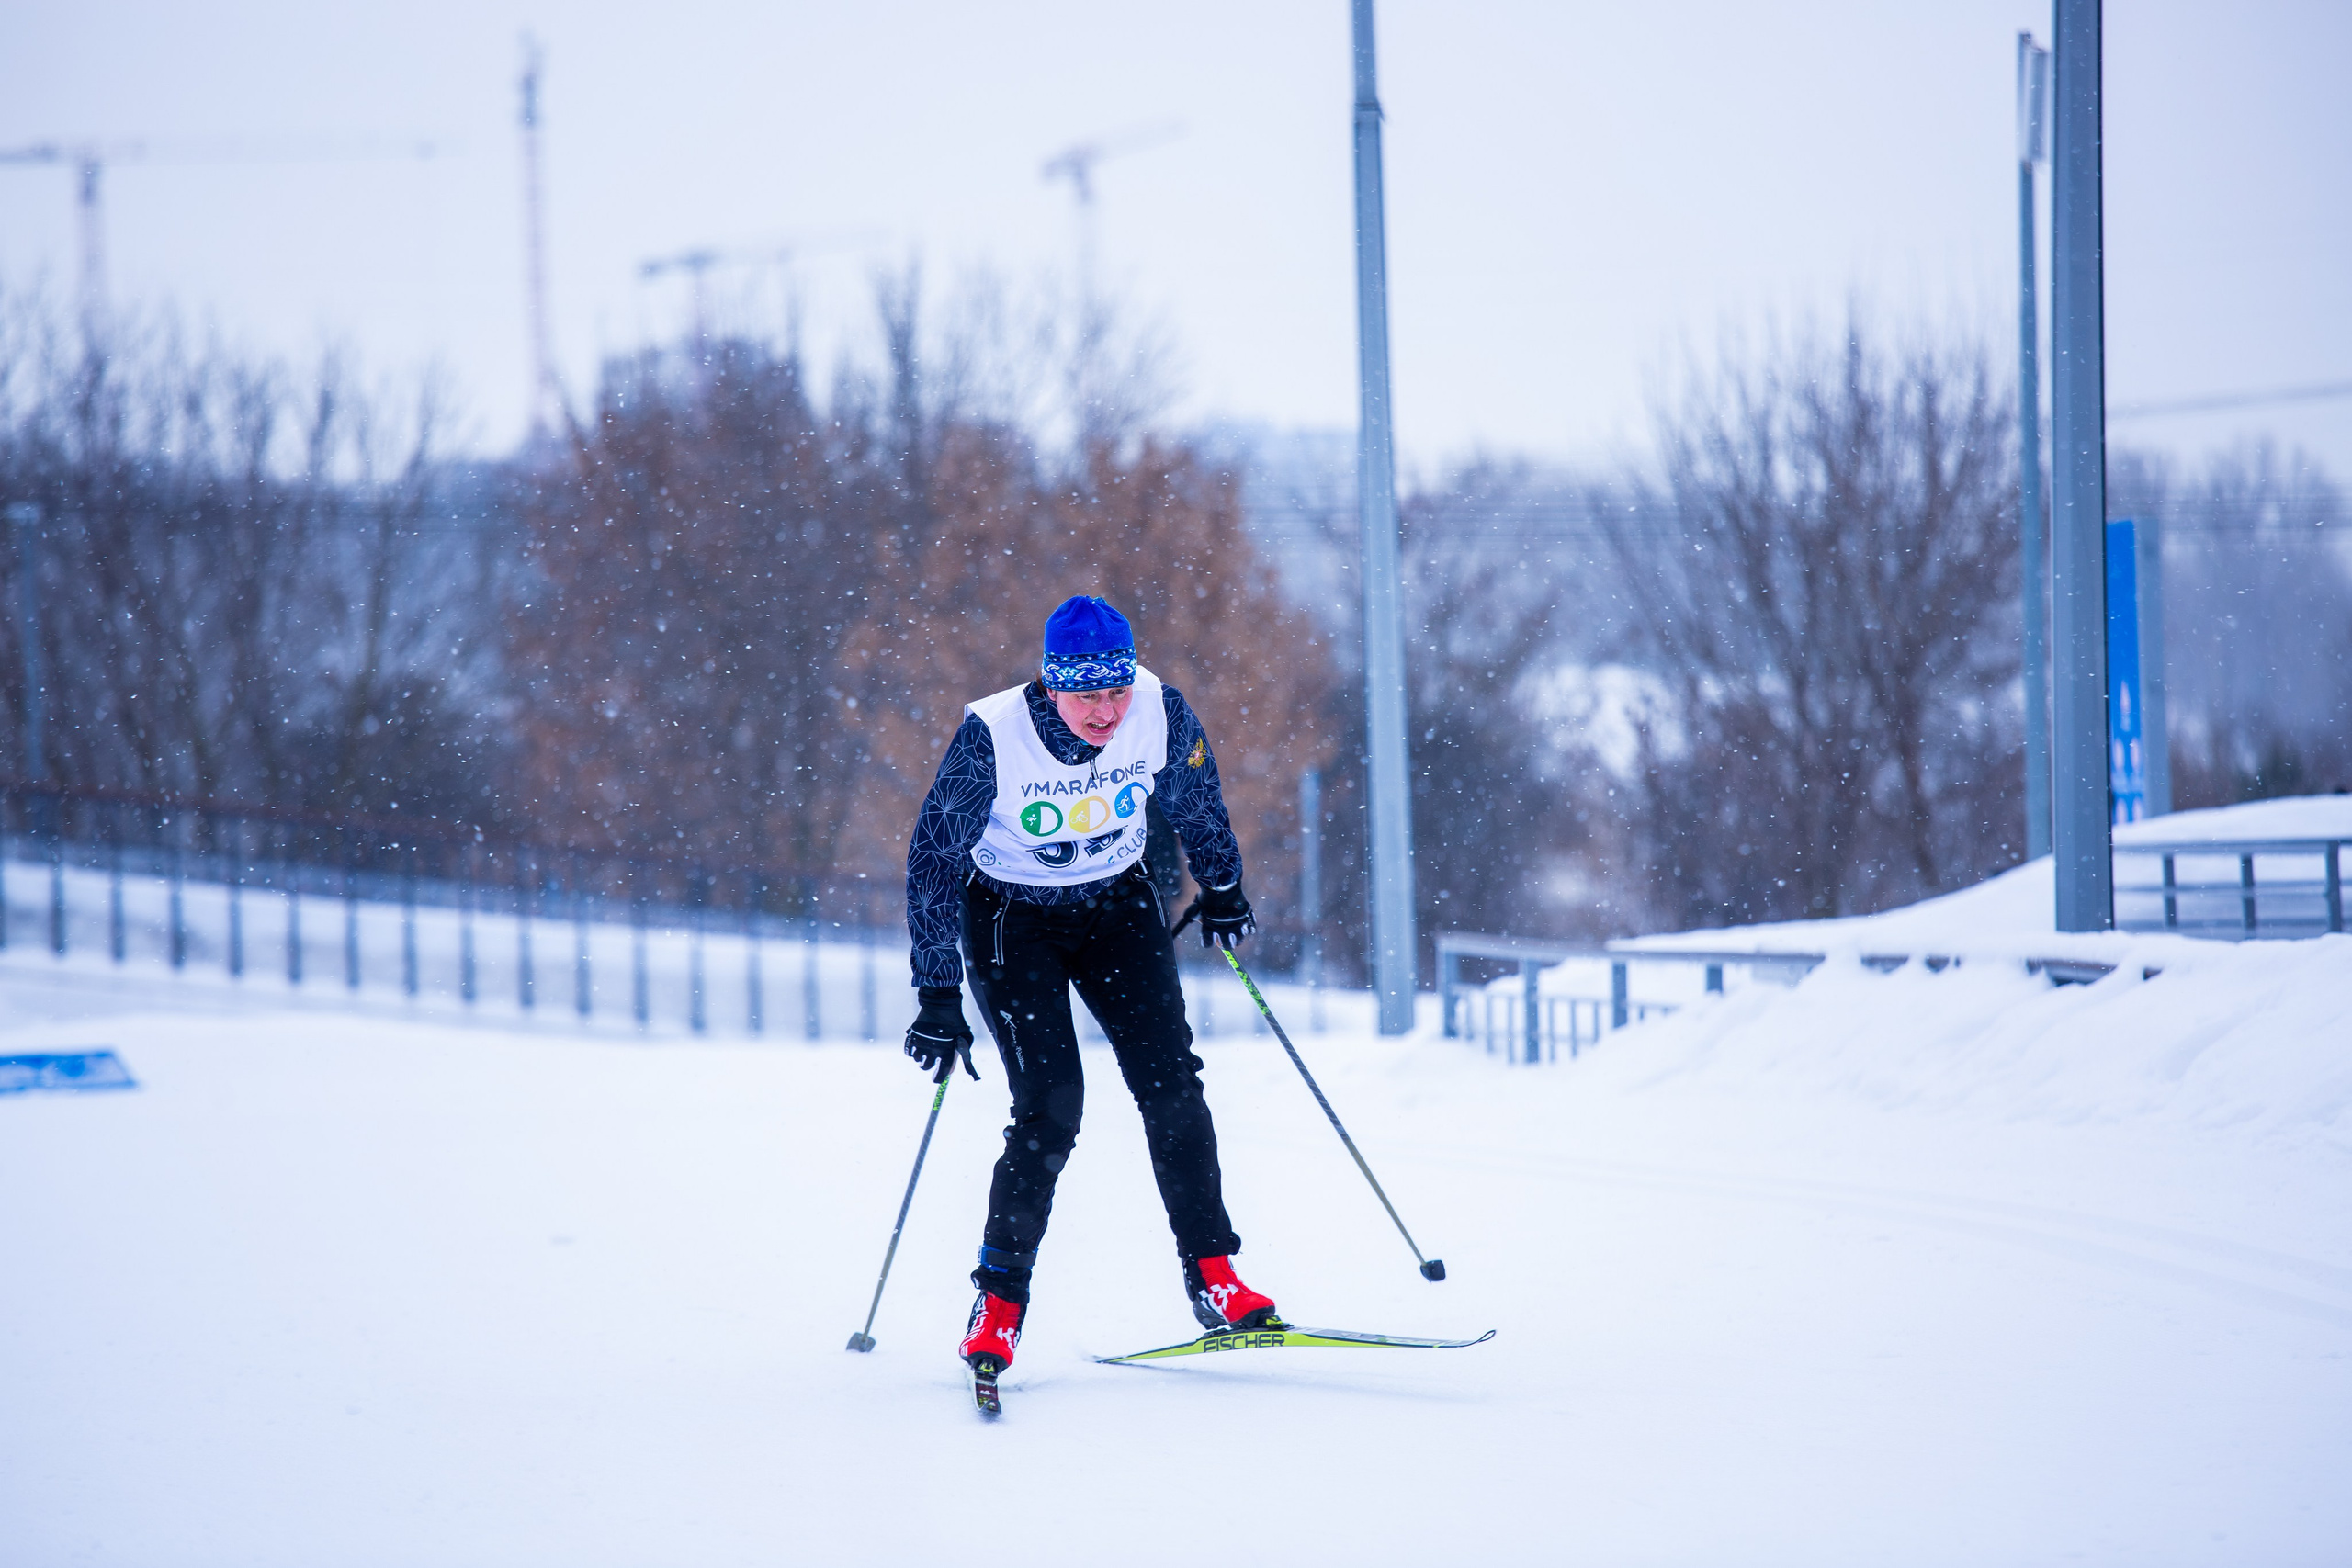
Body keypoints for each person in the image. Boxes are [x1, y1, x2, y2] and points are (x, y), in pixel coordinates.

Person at [902, 594, 1276, 1383]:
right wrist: (937, 990)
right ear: (1051, 684)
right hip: (1012, 917)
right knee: (1051, 1106)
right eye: (1087, 694)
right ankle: (998, 1302)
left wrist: (1222, 884)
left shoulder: (1160, 709)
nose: (1107, 711)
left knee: (1172, 1085)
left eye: (1117, 690)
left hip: (1117, 905)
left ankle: (1214, 1273)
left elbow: (1197, 800)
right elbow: (934, 860)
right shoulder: (993, 734)